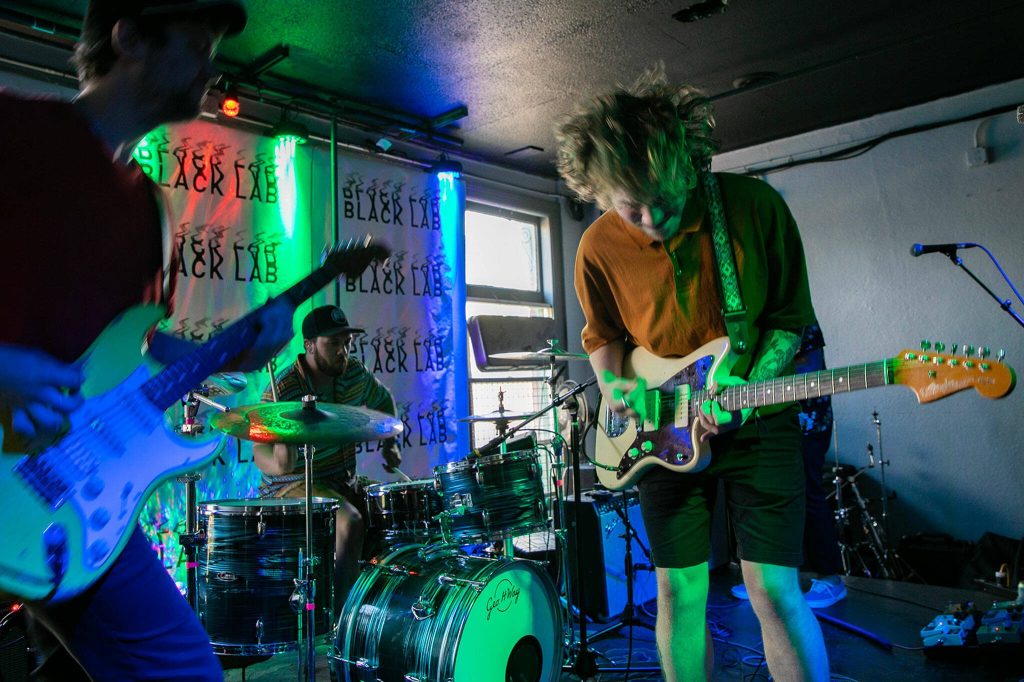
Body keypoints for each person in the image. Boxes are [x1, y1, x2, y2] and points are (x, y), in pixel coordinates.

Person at [0, 1, 300, 679]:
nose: (210, 66)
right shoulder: (14, 131)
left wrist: (228, 350)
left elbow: (129, 353)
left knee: (185, 669)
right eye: (195, 44)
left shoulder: (147, 209)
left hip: (69, 492)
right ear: (128, 36)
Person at [556, 64, 830, 680]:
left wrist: (751, 375)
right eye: (632, 208)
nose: (653, 220)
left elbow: (790, 316)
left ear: (689, 165)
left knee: (773, 594)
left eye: (666, 200)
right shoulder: (597, 246)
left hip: (759, 421)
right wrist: (613, 385)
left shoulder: (754, 207)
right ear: (598, 193)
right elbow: (604, 336)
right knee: (679, 595)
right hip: (662, 431)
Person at [253, 304, 401, 613]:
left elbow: (382, 400)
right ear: (309, 345)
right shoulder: (284, 389)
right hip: (292, 484)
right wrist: (279, 464)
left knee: (396, 507)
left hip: (341, 479)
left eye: (346, 343)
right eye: (332, 343)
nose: (342, 351)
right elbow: (260, 453)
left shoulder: (354, 374)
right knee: (350, 520)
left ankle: (385, 606)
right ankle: (342, 617)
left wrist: (390, 444)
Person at [731, 322, 848, 608]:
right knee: (765, 495)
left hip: (806, 420)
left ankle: (831, 578)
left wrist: (757, 379)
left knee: (807, 492)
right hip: (769, 419)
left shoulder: (797, 315)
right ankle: (774, 580)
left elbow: (812, 366)